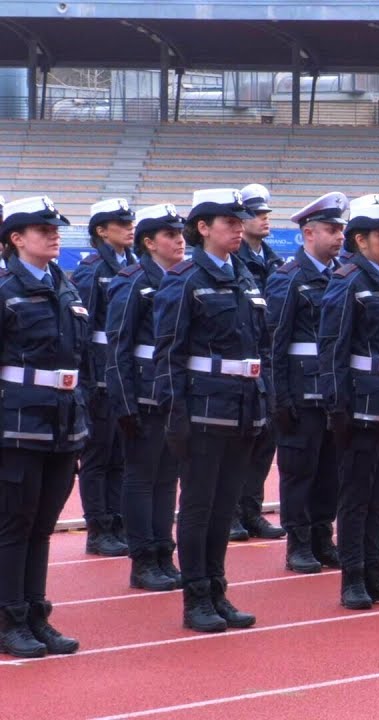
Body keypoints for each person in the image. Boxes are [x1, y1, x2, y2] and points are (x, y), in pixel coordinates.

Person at [153, 188, 265, 633]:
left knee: (224, 509)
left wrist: (265, 398)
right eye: (229, 222)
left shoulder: (245, 276)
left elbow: (263, 347)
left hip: (241, 410)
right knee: (199, 509)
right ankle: (196, 596)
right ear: (202, 228)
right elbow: (168, 355)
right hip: (201, 412)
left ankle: (218, 589)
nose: (238, 228)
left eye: (241, 221)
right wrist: (176, 415)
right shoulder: (184, 280)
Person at [318, 195, 379, 609]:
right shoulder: (347, 281)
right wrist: (337, 406)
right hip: (361, 406)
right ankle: (353, 578)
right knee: (357, 498)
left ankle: (377, 572)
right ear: (360, 240)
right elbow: (332, 348)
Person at [0, 196, 85, 657]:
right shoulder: (4, 288)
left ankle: (36, 614)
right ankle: (9, 618)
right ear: (16, 239)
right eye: (42, 229)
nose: (54, 234)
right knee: (14, 523)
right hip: (14, 424)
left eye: (56, 228)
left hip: (61, 422)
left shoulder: (65, 287)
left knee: (42, 526)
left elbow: (81, 360)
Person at [105, 203, 187, 591]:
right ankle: (143, 560)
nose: (180, 241)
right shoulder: (133, 279)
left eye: (181, 234)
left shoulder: (179, 277)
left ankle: (162, 553)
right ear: (149, 242)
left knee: (167, 478)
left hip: (170, 396)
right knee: (141, 478)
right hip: (142, 395)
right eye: (171, 235)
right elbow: (118, 345)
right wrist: (124, 402)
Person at [266, 192, 348, 574]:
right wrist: (280, 398)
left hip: (334, 392)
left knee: (330, 470)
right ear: (308, 234)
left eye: (341, 230)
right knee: (300, 471)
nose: (340, 237)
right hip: (301, 392)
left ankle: (321, 535)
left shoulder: (342, 274)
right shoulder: (289, 278)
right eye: (331, 230)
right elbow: (275, 343)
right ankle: (298, 541)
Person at [71, 198, 136, 557]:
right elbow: (83, 329)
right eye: (120, 223)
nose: (129, 227)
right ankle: (99, 527)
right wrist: (88, 379)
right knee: (98, 456)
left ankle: (117, 522)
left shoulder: (133, 265)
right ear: (100, 230)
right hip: (99, 375)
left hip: (122, 374)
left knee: (121, 455)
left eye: (130, 222)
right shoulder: (92, 270)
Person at [230, 183, 286, 541]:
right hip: (242, 359)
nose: (263, 219)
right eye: (255, 213)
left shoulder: (273, 260)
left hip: (269, 358)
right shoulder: (234, 262)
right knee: (240, 442)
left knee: (266, 440)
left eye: (266, 213)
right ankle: (232, 513)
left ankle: (252, 510)